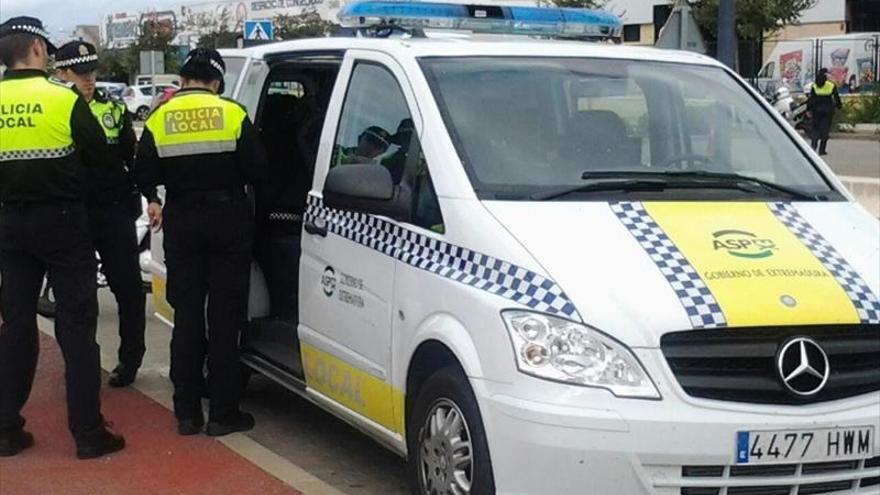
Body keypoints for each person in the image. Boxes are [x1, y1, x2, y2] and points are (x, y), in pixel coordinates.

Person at [0, 16, 125, 458]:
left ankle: (6, 429)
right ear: (35, 49)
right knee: (76, 326)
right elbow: (103, 164)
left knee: (15, 325)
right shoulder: (62, 99)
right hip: (65, 222)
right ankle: (88, 433)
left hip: (10, 227)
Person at [135, 48, 267, 437]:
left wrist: (156, 200)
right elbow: (259, 169)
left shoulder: (160, 118)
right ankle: (223, 414)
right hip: (228, 220)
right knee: (225, 320)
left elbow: (143, 172)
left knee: (187, 318)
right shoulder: (233, 113)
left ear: (183, 79)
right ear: (217, 82)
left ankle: (187, 414)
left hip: (182, 222)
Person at [54, 41, 146, 388]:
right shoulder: (57, 109)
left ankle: (130, 358)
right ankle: (79, 364)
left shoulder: (116, 109)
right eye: (80, 73)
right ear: (62, 74)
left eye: (92, 71)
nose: (89, 79)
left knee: (129, 289)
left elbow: (130, 157)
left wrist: (140, 195)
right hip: (73, 211)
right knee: (77, 297)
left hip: (113, 210)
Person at [806, 68, 842, 155]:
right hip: (828, 111)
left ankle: (813, 147)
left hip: (816, 111)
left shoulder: (814, 86)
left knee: (815, 129)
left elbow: (811, 99)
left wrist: (808, 109)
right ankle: (822, 150)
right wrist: (839, 106)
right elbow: (836, 97)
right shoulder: (831, 85)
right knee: (825, 130)